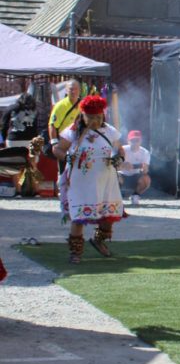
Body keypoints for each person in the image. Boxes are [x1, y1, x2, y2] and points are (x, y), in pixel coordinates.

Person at [52, 95, 124, 264]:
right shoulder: (73, 131)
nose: (95, 120)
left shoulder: (110, 131)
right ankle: (75, 252)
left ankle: (98, 241)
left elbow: (121, 151)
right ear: (83, 115)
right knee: (79, 217)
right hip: (80, 182)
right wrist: (68, 158)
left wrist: (118, 160)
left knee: (108, 216)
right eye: (90, 117)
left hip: (106, 180)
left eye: (98, 117)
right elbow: (58, 149)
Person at [47, 80, 81, 174]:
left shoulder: (82, 105)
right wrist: (54, 143)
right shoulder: (60, 106)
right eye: (71, 89)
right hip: (64, 144)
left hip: (78, 143)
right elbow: (52, 125)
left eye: (76, 89)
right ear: (66, 90)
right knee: (64, 172)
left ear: (79, 91)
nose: (73, 91)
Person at [118, 130, 151, 205]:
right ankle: (117, 197)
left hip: (136, 177)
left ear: (140, 141)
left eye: (137, 140)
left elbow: (145, 169)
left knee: (146, 179)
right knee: (114, 177)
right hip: (122, 175)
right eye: (132, 140)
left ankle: (135, 195)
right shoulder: (122, 150)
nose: (135, 142)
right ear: (128, 141)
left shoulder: (145, 152)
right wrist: (123, 165)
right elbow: (115, 166)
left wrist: (143, 169)